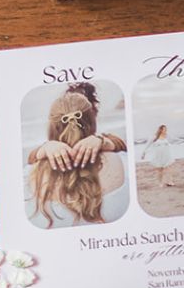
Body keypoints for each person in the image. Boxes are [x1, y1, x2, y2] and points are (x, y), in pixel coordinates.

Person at [25, 83, 127, 227]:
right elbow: (122, 147)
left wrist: (102, 140)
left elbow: (30, 161)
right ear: (92, 118)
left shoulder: (30, 174)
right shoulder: (120, 161)